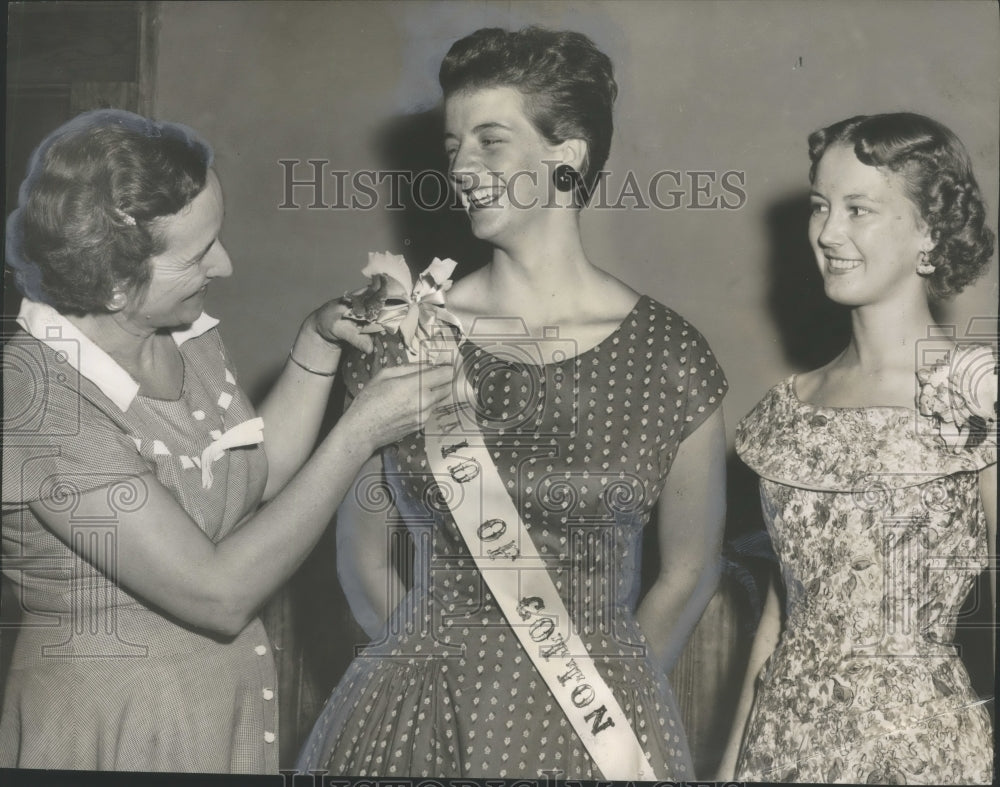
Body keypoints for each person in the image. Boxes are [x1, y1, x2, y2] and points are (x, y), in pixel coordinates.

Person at [296, 27, 728, 780]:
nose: (461, 166)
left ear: (569, 154)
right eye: (453, 143)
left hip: (597, 724)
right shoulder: (405, 337)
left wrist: (602, 695)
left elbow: (687, 571)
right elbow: (360, 558)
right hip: (423, 722)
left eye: (491, 141)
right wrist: (433, 678)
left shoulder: (672, 357)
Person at [0, 109, 452, 772]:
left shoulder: (181, 335)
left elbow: (256, 477)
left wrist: (317, 341)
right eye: (198, 253)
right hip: (107, 736)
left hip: (216, 724)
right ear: (116, 278)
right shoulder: (37, 401)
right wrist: (361, 432)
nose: (226, 263)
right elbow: (218, 594)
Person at [719, 113, 997, 784]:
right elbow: (781, 618)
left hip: (923, 751)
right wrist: (728, 767)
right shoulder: (791, 409)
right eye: (821, 206)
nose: (827, 232)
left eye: (858, 210)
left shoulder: (977, 395)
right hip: (782, 745)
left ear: (930, 233)